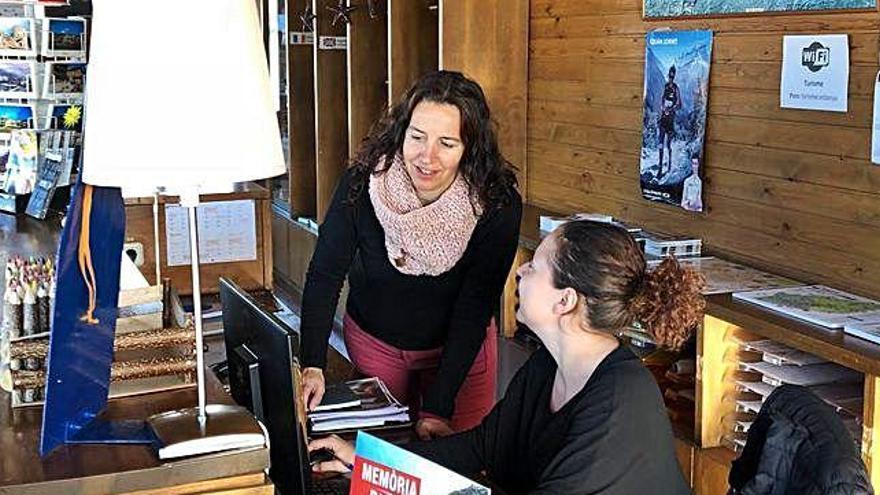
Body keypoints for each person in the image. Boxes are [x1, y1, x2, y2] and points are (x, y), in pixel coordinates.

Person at [309, 220, 704, 494]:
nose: (522, 272)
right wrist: (369, 461)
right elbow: (481, 446)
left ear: (565, 301)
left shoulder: (621, 400)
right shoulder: (547, 363)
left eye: (535, 267)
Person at [299, 70, 522, 439]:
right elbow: (325, 274)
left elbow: (475, 306)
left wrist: (438, 407)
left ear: (471, 147)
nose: (427, 157)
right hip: (377, 343)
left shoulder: (497, 203)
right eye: (417, 137)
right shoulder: (362, 184)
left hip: (461, 351)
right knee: (382, 456)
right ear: (402, 131)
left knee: (455, 463)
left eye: (447, 143)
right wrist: (312, 363)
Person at [657, 65, 680, 181]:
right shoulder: (666, 86)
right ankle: (660, 169)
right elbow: (662, 98)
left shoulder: (676, 88)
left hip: (670, 120)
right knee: (660, 143)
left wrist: (670, 109)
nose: (670, 78)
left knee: (668, 145)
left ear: (674, 76)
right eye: (669, 75)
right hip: (663, 119)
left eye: (672, 76)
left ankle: (670, 166)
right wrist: (662, 107)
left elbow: (679, 104)